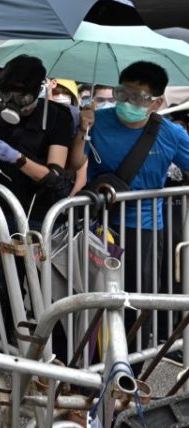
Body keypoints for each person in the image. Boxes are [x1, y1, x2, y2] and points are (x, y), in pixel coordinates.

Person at [0, 55, 75, 409]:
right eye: (7, 94)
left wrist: (18, 159)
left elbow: (56, 179)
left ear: (39, 90)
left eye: (21, 97)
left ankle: (49, 372)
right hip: (2, 213)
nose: (14, 104)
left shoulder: (57, 118)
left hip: (39, 218)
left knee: (41, 296)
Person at [68, 61, 189, 349]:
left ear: (157, 102)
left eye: (137, 98)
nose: (126, 103)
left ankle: (129, 371)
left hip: (145, 231)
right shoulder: (97, 120)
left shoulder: (170, 133)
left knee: (136, 301)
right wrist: (82, 130)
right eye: (123, 94)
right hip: (100, 226)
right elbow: (74, 164)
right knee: (92, 296)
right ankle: (88, 366)